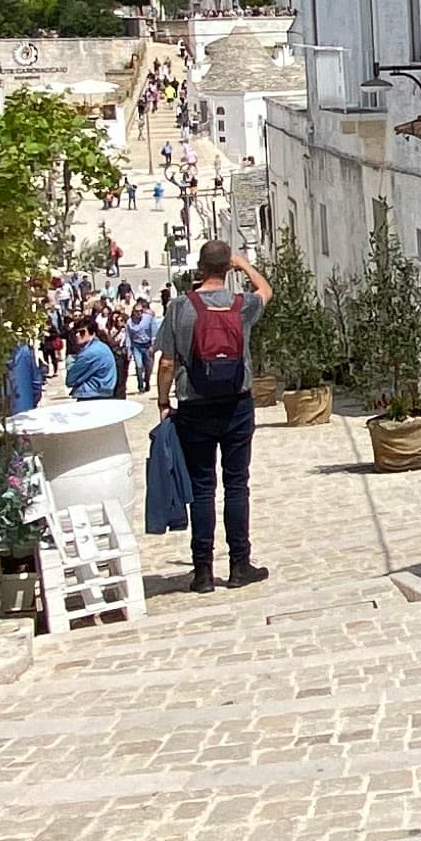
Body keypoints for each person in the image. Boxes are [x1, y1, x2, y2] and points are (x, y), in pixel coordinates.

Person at [154, 235, 272, 593]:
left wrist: (163, 401)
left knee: (202, 488)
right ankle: (239, 565)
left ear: (200, 268)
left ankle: (203, 572)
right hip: (237, 403)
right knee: (236, 484)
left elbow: (168, 363)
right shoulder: (242, 304)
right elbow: (266, 290)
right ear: (227, 268)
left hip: (194, 405)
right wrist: (244, 265)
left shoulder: (180, 307)